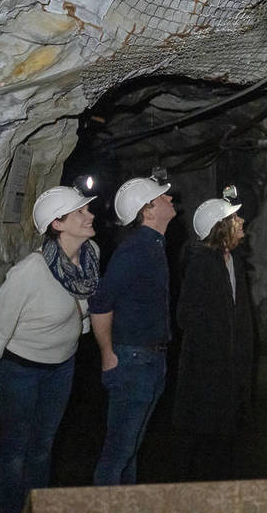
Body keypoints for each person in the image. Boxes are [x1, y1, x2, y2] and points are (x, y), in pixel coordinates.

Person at [0, 186, 98, 513]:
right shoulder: (31, 271)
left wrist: (81, 327)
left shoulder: (91, 255)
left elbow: (84, 302)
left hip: (61, 367)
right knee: (16, 448)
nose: (89, 215)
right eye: (80, 212)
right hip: (20, 369)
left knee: (43, 447)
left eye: (87, 210)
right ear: (58, 224)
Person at [88, 176, 176, 485]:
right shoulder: (135, 249)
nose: (170, 199)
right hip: (133, 362)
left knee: (130, 451)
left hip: (150, 360)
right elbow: (100, 303)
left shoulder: (153, 245)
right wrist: (107, 354)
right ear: (148, 211)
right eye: (162, 198)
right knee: (118, 454)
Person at [173, 195, 255, 481]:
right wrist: (215, 353)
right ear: (221, 228)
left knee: (224, 445)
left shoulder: (233, 260)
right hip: (209, 373)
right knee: (205, 445)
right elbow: (186, 315)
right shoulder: (203, 264)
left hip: (229, 370)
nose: (242, 221)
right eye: (235, 219)